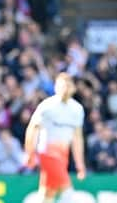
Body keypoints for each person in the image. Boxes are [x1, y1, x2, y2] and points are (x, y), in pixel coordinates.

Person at [24, 73, 86, 203]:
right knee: (67, 192)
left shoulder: (77, 109)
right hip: (47, 153)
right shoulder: (47, 106)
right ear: (56, 87)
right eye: (62, 86)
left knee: (47, 194)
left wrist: (80, 163)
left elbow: (77, 138)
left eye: (68, 86)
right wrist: (30, 152)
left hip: (63, 155)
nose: (65, 89)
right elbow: (32, 128)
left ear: (74, 88)